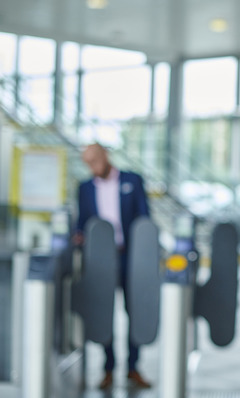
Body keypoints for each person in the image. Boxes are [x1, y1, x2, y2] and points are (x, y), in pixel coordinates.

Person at [74, 143, 152, 390]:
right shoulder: (85, 188)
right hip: (101, 258)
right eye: (88, 163)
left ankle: (133, 367)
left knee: (135, 310)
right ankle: (108, 368)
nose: (93, 167)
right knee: (103, 311)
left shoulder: (133, 181)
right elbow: (82, 222)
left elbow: (144, 217)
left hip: (130, 255)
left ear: (105, 155)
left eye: (95, 161)